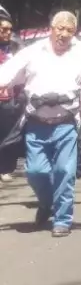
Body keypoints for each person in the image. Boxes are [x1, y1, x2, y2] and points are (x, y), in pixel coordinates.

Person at [0, 11, 81, 237]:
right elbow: (5, 74)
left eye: (69, 30)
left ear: (74, 33)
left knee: (64, 171)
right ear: (51, 28)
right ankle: (47, 202)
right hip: (35, 124)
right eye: (60, 28)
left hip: (66, 124)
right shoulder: (32, 52)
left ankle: (62, 219)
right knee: (35, 172)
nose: (64, 34)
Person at [0, 10, 23, 183]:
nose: (8, 33)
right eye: (4, 30)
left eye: (10, 30)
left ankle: (5, 168)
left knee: (7, 135)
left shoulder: (15, 48)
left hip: (9, 100)